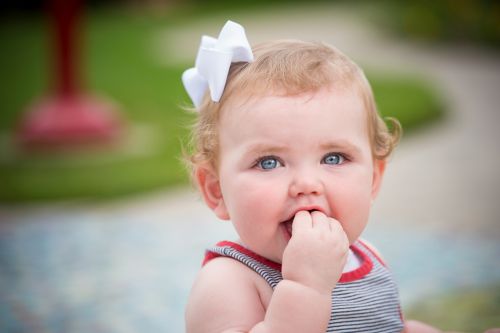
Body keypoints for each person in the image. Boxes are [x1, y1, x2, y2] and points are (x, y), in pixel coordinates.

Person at [182, 20, 441, 333]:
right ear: (216, 191)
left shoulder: (367, 256)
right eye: (268, 162)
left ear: (373, 178)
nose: (307, 184)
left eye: (333, 158)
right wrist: (307, 288)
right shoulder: (228, 280)